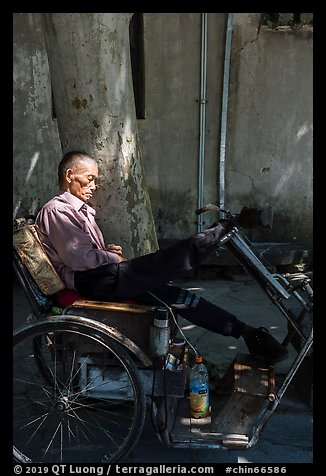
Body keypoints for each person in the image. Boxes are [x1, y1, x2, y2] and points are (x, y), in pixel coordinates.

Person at [35, 150, 288, 363]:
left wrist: (107, 253)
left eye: (95, 181)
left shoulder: (77, 211)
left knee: (177, 296)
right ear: (70, 176)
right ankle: (224, 228)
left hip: (101, 276)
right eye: (89, 179)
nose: (93, 186)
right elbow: (80, 261)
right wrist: (113, 259)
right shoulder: (57, 210)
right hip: (92, 281)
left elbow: (85, 254)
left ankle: (247, 333)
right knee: (163, 261)